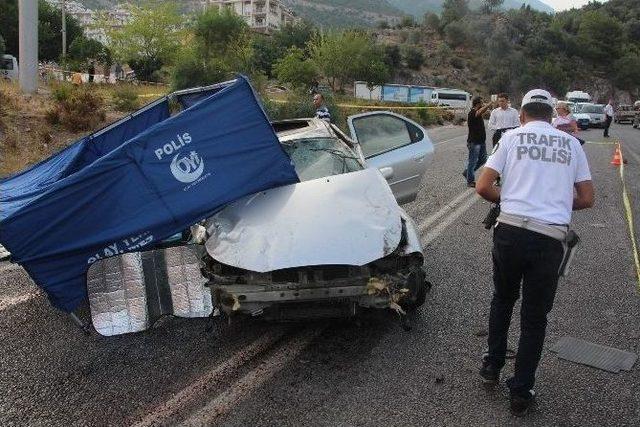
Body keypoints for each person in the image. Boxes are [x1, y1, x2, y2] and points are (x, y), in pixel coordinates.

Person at [475, 89, 594, 417]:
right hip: (548, 238)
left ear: (523, 114)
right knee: (534, 317)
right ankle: (521, 390)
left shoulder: (512, 138)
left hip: (510, 232)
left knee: (502, 299)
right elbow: (586, 197)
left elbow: (483, 186)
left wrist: (510, 195)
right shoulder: (571, 144)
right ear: (551, 115)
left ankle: (492, 364)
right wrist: (554, 201)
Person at [464, 96, 493, 187]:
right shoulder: (472, 113)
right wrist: (489, 104)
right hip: (474, 142)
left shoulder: (479, 113)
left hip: (481, 141)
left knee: (483, 159)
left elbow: (482, 111)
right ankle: (470, 181)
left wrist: (487, 107)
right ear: (477, 104)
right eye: (482, 103)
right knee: (472, 161)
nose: (483, 104)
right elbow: (480, 111)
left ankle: (467, 172)